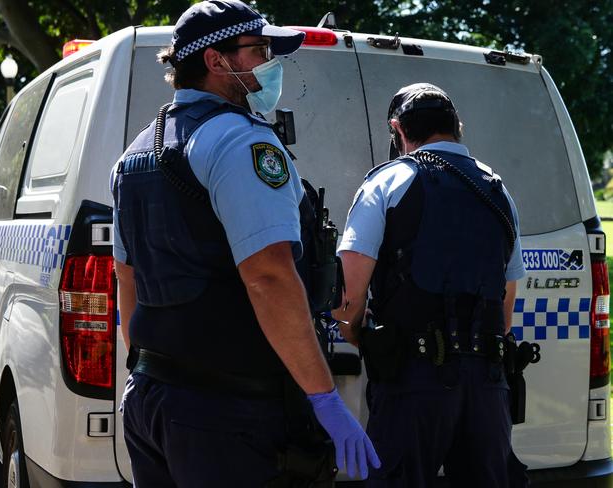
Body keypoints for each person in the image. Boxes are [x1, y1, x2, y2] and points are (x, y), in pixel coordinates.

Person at [110, 1, 379, 486]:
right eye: (257, 51)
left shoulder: (135, 153)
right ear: (216, 61)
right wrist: (324, 398)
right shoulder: (240, 142)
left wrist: (157, 375)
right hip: (229, 415)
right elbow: (269, 275)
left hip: (153, 401)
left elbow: (127, 279)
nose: (270, 64)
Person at [333, 83, 529, 487]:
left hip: (412, 383)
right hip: (488, 386)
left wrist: (357, 333)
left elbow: (347, 294)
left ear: (398, 129)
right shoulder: (497, 190)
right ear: (457, 127)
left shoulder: (389, 182)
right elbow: (506, 306)